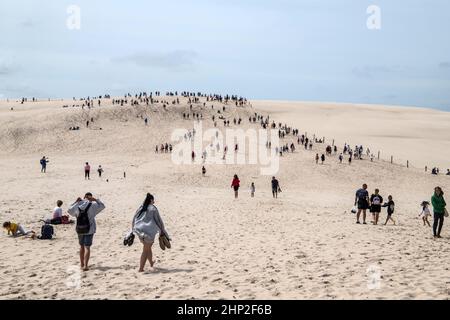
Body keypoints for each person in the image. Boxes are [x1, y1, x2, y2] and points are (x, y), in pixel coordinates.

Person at [132, 193, 170, 272]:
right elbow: (159, 221)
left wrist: (132, 230)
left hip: (139, 231)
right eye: (153, 200)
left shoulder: (141, 207)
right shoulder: (153, 208)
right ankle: (141, 269)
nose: (154, 202)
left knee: (148, 248)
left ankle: (151, 263)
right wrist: (162, 231)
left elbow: (134, 218)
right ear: (151, 200)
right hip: (149, 233)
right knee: (146, 250)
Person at [68, 192, 105, 271]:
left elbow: (69, 210)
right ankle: (86, 266)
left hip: (79, 229)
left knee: (81, 246)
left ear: (84, 197)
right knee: (87, 247)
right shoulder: (93, 205)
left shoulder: (78, 205)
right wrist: (95, 199)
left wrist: (76, 202)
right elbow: (102, 206)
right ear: (90, 198)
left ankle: (82, 264)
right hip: (89, 229)